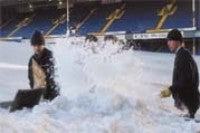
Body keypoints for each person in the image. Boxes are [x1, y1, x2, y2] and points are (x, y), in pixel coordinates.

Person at [161, 29, 200, 118]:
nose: (168, 43)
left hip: (188, 103)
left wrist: (170, 89)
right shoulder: (183, 54)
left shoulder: (182, 55)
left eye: (170, 40)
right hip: (190, 102)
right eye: (168, 40)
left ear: (178, 41)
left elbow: (185, 80)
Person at [28, 30, 59, 101]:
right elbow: (31, 78)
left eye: (39, 45)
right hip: (40, 94)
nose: (36, 48)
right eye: (34, 45)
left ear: (43, 45)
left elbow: (54, 78)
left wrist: (53, 96)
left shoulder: (51, 56)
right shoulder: (32, 59)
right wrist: (34, 93)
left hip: (53, 96)